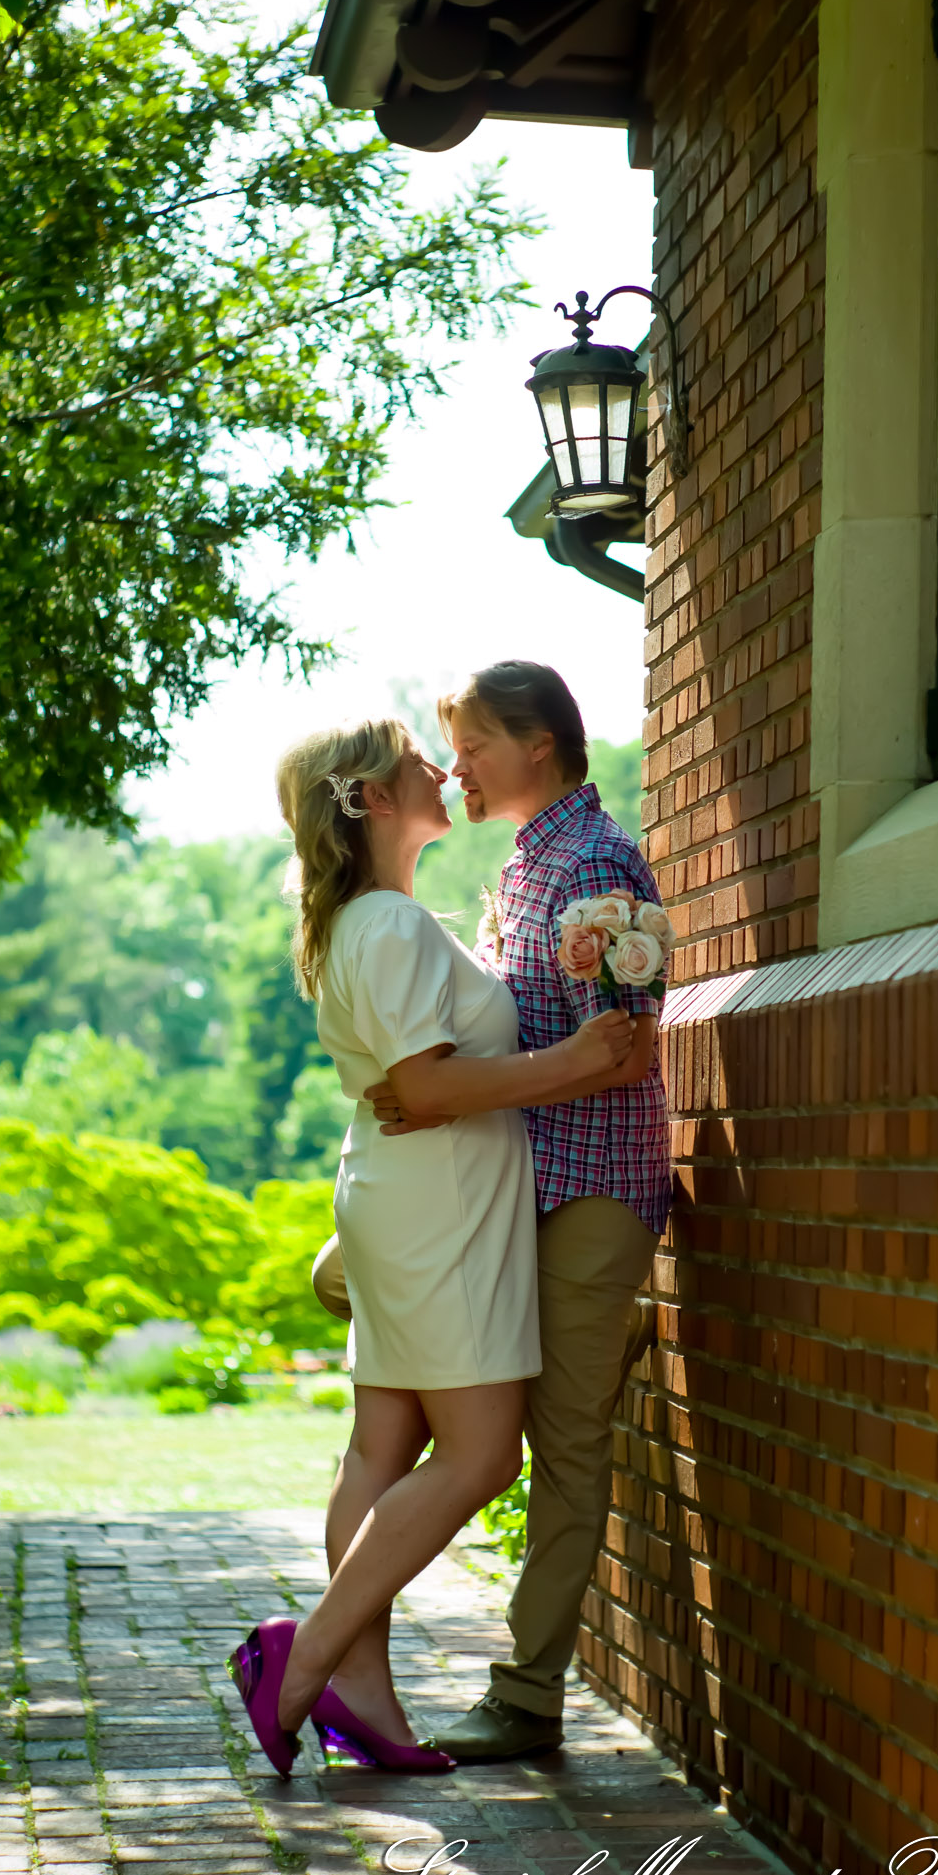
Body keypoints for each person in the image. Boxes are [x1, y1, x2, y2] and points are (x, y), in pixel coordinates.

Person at [228, 714, 639, 1781]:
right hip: (438, 1213)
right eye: (416, 759)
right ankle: (306, 1660)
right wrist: (580, 1064)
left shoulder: (375, 922)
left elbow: (412, 1085)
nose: (439, 768)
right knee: (481, 1455)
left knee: (380, 1449)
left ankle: (361, 1697)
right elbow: (428, 1088)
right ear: (365, 798)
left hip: (409, 1199)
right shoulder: (391, 928)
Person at [368, 662, 673, 1761]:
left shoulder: (595, 862)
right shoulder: (531, 861)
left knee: (567, 1445)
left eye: (477, 744)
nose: (458, 767)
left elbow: (623, 1055)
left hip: (590, 1190)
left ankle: (528, 1696)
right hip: (522, 1190)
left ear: (539, 743)